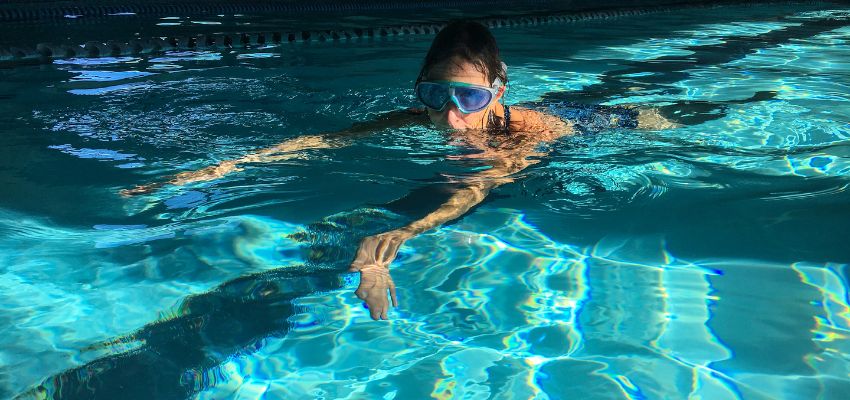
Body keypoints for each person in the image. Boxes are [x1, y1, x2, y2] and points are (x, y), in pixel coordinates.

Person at [122, 20, 677, 320]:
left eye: (469, 97)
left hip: (603, 122)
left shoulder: (525, 130)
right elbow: (321, 140)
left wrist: (394, 237)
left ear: (499, 91)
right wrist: (215, 170)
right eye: (436, 94)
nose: (451, 115)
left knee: (672, 120)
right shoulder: (425, 114)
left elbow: (474, 190)